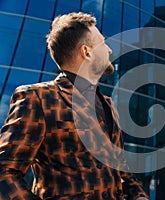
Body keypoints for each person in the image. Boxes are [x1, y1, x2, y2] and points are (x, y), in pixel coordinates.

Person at [0, 12, 149, 200]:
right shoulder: (38, 97)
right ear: (86, 52)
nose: (109, 50)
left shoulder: (109, 104)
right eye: (103, 43)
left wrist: (139, 196)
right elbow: (5, 172)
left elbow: (121, 169)